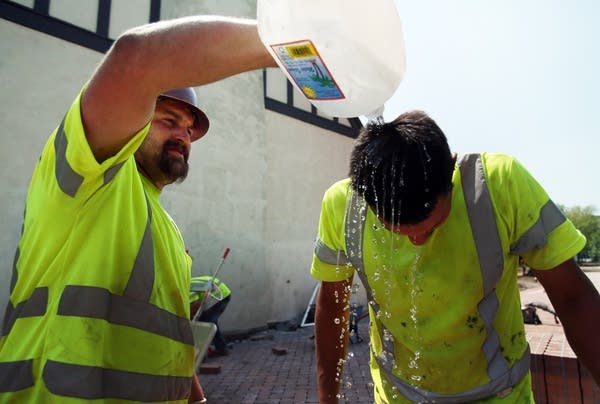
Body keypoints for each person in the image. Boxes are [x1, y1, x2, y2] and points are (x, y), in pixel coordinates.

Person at [0, 15, 275, 402]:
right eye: (169, 120)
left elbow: (167, 336)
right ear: (134, 119)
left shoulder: (165, 229)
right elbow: (137, 57)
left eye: (189, 130)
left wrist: (194, 396)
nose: (183, 135)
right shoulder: (92, 174)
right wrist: (287, 40)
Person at [311, 111, 600, 403]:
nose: (417, 241)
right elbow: (334, 310)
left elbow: (573, 298)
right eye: (396, 230)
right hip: (398, 395)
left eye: (431, 225)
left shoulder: (500, 186)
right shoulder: (344, 208)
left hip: (499, 395)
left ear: (451, 169)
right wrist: (328, 400)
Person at [190, 276, 232, 356]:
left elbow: (196, 305)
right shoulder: (185, 286)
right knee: (210, 321)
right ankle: (221, 348)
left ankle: (201, 353)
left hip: (220, 295)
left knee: (206, 323)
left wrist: (191, 317)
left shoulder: (187, 293)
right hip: (217, 290)